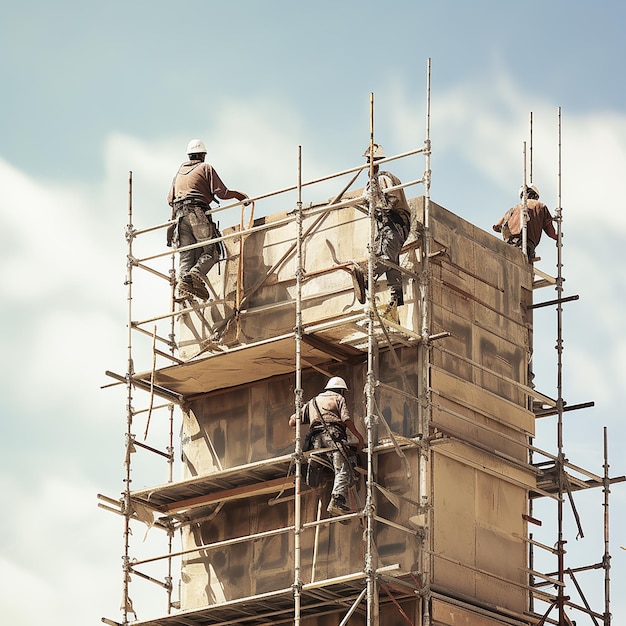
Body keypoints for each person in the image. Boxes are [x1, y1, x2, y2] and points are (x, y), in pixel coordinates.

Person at [167, 139, 249, 300]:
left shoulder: (178, 173)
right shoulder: (205, 168)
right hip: (197, 212)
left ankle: (183, 291)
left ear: (189, 155)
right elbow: (222, 193)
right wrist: (240, 196)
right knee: (213, 251)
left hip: (179, 218)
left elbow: (171, 200)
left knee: (186, 256)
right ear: (203, 155)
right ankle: (194, 275)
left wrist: (172, 226)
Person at [349, 144, 411, 322]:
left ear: (373, 163)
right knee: (392, 264)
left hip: (393, 224)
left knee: (383, 256)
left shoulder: (383, 178)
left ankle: (366, 276)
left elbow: (393, 199)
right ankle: (395, 305)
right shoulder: (374, 181)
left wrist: (376, 207)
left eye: (369, 162)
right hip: (390, 225)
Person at [289, 376, 365, 516]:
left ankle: (311, 476)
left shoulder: (313, 402)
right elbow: (346, 419)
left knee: (322, 464)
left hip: (315, 443)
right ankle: (337, 501)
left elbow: (293, 421)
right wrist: (359, 437)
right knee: (344, 469)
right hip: (333, 437)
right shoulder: (338, 398)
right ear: (341, 391)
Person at [493, 184, 557, 261]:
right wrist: (558, 237)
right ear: (535, 196)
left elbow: (496, 227)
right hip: (526, 247)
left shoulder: (513, 209)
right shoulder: (540, 206)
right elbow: (551, 232)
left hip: (508, 246)